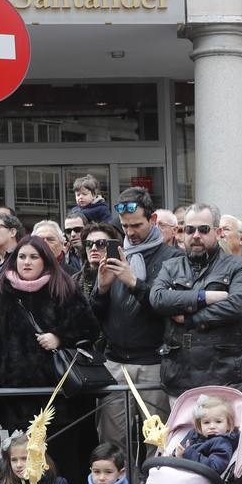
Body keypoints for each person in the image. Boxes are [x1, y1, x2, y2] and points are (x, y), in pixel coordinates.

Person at [0, 235, 100, 484]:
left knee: (63, 459)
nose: (26, 262)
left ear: (46, 260)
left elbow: (90, 329)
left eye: (33, 257)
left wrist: (60, 337)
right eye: (22, 257)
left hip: (61, 396)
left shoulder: (64, 288)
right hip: (16, 395)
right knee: (23, 460)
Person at [91, 188, 183, 447]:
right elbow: (94, 316)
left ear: (153, 220)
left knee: (159, 441)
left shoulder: (172, 257)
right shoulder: (117, 253)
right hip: (115, 362)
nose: (130, 232)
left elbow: (167, 307)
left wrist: (134, 283)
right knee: (112, 443)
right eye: (124, 226)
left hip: (154, 363)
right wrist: (102, 289)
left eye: (137, 225)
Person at [149, 203, 242, 397]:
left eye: (203, 229)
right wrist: (204, 297)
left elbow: (239, 304)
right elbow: (158, 298)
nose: (196, 235)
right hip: (179, 378)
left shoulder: (240, 266)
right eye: (189, 229)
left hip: (225, 377)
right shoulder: (171, 266)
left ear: (217, 232)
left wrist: (191, 319)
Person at [172, 394, 238, 474]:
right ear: (200, 425)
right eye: (206, 422)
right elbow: (180, 449)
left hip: (200, 480)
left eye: (218, 421)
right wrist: (176, 455)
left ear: (228, 425)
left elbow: (214, 467)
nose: (212, 426)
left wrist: (189, 454)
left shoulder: (222, 443)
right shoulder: (194, 434)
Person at [77, 222, 121, 301]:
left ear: (112, 246)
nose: (93, 248)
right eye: (88, 243)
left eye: (100, 243)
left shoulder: (121, 277)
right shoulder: (74, 281)